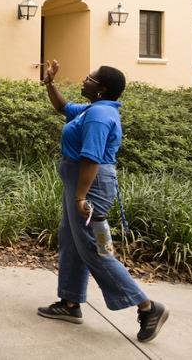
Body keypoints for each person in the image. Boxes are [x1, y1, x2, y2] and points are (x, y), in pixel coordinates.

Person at [37, 60, 169, 343]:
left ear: (102, 88)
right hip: (81, 183)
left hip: (90, 186)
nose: (84, 80)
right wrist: (50, 83)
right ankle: (70, 303)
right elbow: (63, 108)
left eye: (89, 78)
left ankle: (147, 307)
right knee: (72, 240)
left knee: (98, 249)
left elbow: (92, 158)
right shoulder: (93, 109)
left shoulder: (98, 116)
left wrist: (81, 195)